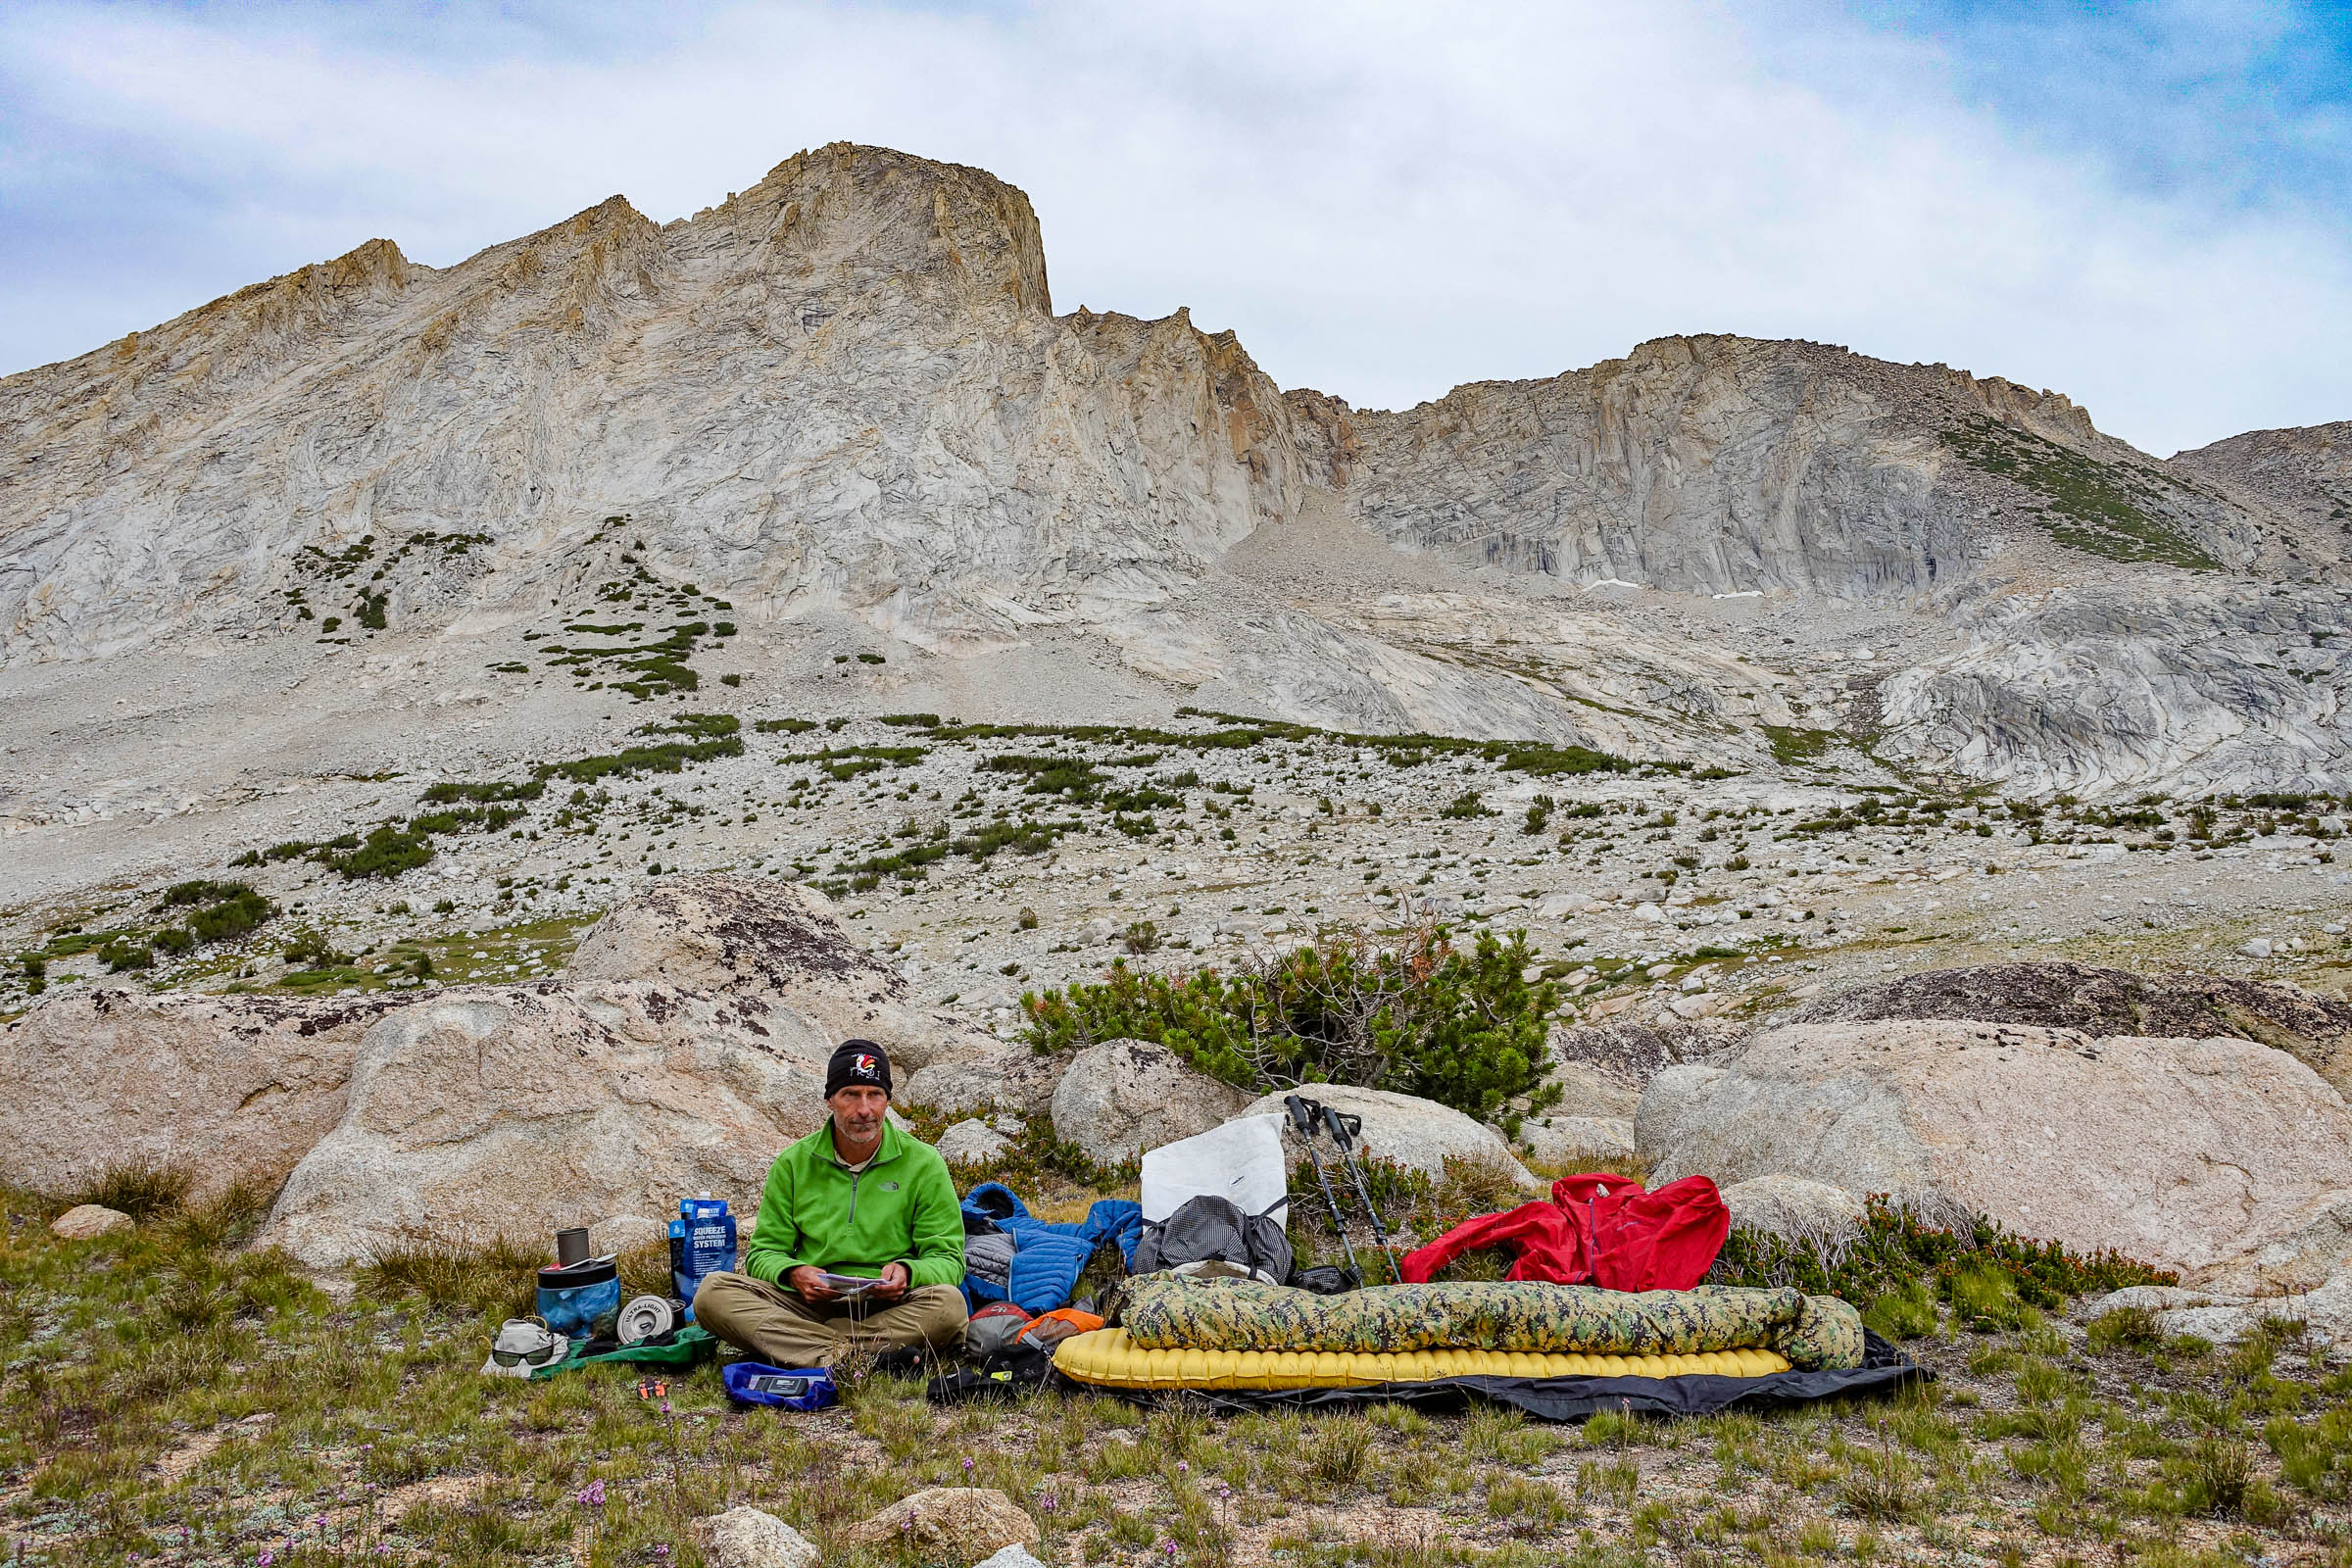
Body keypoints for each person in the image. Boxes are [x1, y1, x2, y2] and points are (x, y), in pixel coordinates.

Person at [693, 1039, 967, 1367]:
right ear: (830, 1100)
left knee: (950, 1305)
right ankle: (855, 1353)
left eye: (874, 1094)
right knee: (712, 1293)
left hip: (889, 1306)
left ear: (887, 1101)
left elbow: (949, 1260)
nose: (864, 1110)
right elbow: (763, 1254)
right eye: (850, 1094)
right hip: (809, 1302)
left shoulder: (924, 1163)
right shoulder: (794, 1163)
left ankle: (809, 1346)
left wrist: (909, 1272)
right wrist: (794, 1273)